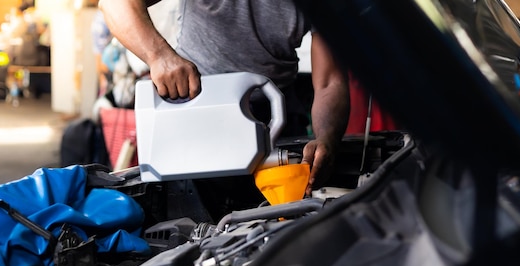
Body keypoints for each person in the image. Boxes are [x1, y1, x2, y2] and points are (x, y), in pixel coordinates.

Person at [98, 0, 350, 195]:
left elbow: (330, 81)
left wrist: (327, 138)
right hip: (197, 111)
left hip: (276, 121)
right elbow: (114, 4)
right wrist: (159, 56)